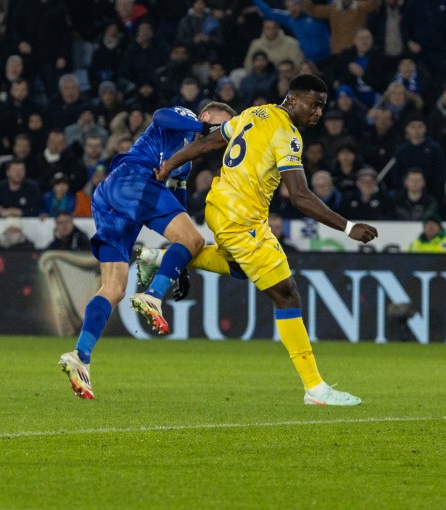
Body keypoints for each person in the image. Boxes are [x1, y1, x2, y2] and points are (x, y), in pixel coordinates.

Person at [142, 74, 378, 406]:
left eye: (323, 107)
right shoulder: (287, 134)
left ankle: (163, 258)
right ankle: (315, 389)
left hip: (218, 207)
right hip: (243, 221)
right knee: (287, 295)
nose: (319, 113)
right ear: (294, 100)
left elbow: (209, 143)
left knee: (241, 270)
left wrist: (169, 165)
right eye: (315, 105)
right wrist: (348, 226)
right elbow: (299, 196)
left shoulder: (253, 114)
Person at [56, 102, 236, 400]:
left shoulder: (186, 161)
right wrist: (205, 128)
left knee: (113, 288)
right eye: (222, 124)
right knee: (196, 240)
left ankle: (80, 356)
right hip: (131, 179)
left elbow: (176, 200)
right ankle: (151, 296)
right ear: (205, 116)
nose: (223, 133)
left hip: (113, 198)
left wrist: (181, 264)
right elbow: (159, 115)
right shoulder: (186, 119)